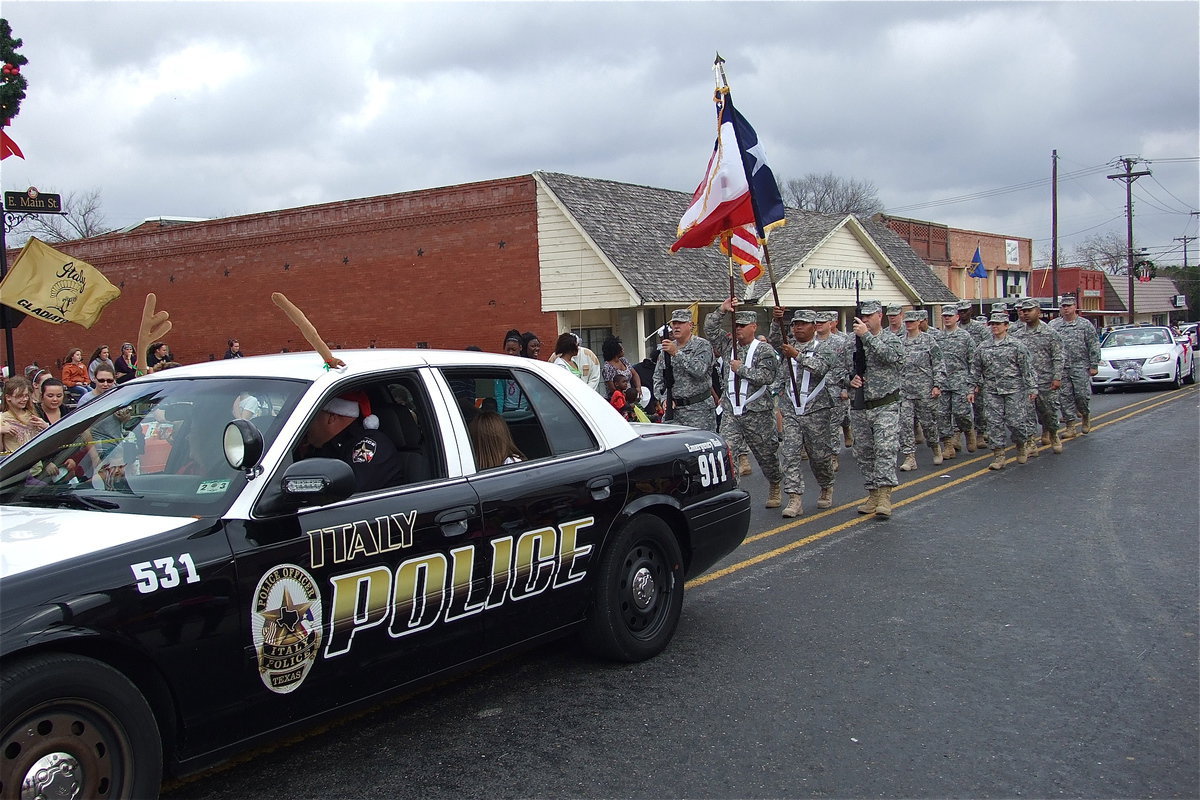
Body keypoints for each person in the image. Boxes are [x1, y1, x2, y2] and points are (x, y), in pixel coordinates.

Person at [705, 299, 783, 508]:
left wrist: (741, 369)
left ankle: (775, 483)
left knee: (766, 453)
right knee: (727, 451)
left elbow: (767, 376)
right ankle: (732, 493)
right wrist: (722, 310)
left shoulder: (763, 350)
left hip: (756, 411)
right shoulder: (728, 344)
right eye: (736, 325)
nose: (738, 329)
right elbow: (710, 328)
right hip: (731, 410)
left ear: (753, 327)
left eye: (743, 326)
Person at [771, 309, 841, 517]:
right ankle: (794, 498)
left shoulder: (824, 347)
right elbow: (774, 339)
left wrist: (798, 356)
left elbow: (821, 368)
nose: (798, 327)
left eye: (803, 324)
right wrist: (777, 321)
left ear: (813, 326)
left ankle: (826, 485)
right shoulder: (787, 344)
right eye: (795, 324)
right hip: (791, 408)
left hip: (816, 410)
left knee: (819, 456)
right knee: (790, 453)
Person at [843, 299, 904, 518]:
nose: (865, 319)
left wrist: (866, 337)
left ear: (880, 315)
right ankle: (873, 493)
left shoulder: (890, 339)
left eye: (869, 316)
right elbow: (838, 369)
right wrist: (849, 380)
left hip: (885, 403)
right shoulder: (851, 342)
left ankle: (885, 496)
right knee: (863, 452)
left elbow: (893, 358)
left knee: (885, 449)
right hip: (860, 405)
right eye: (863, 316)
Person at [294, 391, 404, 493]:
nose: (305, 426)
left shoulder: (368, 445)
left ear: (332, 417)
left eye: (310, 418)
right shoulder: (323, 446)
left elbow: (346, 494)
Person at [973, 312, 1038, 470]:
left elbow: (1027, 369)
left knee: (1015, 422)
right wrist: (972, 387)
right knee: (994, 424)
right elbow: (975, 370)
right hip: (991, 391)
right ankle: (999, 455)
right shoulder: (983, 346)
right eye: (992, 324)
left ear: (1006, 326)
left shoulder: (1017, 346)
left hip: (1014, 390)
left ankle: (1021, 444)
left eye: (998, 324)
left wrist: (1032, 387)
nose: (994, 326)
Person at [1012, 298, 1064, 455]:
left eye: (1030, 310)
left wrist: (1057, 377)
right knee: (1026, 414)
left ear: (1038, 312)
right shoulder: (1017, 335)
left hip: (1045, 380)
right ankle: (1030, 443)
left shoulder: (1050, 333)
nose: (1026, 313)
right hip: (1026, 383)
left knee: (1048, 412)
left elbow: (1058, 356)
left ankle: (1053, 434)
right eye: (1024, 311)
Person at [897, 310, 946, 471]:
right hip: (904, 390)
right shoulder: (899, 342)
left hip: (924, 389)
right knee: (905, 423)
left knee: (928, 423)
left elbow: (938, 364)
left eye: (912, 321)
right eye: (907, 322)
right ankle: (909, 457)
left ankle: (935, 447)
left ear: (919, 322)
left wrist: (937, 385)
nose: (909, 324)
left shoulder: (929, 340)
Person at [654, 308, 717, 432]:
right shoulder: (666, 350)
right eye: (674, 323)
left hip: (698, 411)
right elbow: (658, 378)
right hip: (674, 413)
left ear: (690, 325)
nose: (676, 327)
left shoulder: (702, 346)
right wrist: (664, 398)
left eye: (681, 323)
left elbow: (699, 371)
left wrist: (676, 353)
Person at [1049, 295, 1101, 438]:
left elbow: (1093, 344)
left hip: (1080, 365)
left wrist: (1094, 364)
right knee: (1065, 397)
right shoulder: (1054, 325)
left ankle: (1085, 415)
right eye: (1063, 306)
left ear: (1075, 307)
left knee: (1081, 395)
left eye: (1069, 306)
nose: (1066, 309)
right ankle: (1070, 426)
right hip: (1061, 367)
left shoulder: (1085, 324)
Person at [937, 305, 978, 458]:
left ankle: (967, 430)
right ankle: (948, 445)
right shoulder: (938, 337)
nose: (947, 318)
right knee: (942, 415)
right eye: (945, 316)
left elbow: (973, 361)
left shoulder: (965, 337)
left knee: (961, 413)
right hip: (943, 382)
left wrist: (972, 384)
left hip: (960, 381)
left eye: (950, 316)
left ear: (957, 318)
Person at [1, 376, 50, 458]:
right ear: (8, 397)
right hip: (17, 466)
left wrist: (46, 427)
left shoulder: (34, 413)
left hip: (37, 464)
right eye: (19, 396)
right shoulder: (3, 418)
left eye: (26, 395)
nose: (24, 399)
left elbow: (43, 442)